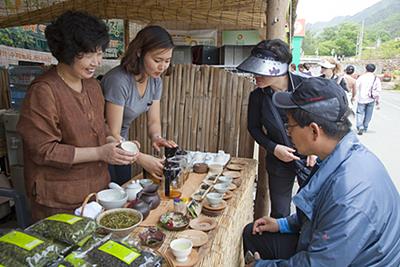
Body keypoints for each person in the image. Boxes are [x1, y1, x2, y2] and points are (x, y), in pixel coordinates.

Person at [243, 77, 400, 267]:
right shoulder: (342, 155)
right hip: (339, 252)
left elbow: (319, 264)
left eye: (290, 126)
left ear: (314, 131)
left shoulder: (348, 195)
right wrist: (283, 224)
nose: (288, 133)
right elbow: (321, 213)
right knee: (254, 233)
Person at [16, 11, 137, 221]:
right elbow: (44, 151)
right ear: (67, 51)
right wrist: (101, 153)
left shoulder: (92, 86)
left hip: (96, 191)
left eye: (99, 53)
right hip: (59, 198)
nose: (96, 62)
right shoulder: (44, 91)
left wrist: (114, 143)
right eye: (88, 54)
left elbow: (101, 128)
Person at [237, 40, 315, 218]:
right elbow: (253, 127)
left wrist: (315, 151)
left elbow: (323, 121)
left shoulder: (307, 87)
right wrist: (274, 148)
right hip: (279, 159)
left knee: (311, 210)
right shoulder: (257, 96)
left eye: (260, 70)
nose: (255, 75)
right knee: (280, 212)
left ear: (280, 69)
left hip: (311, 159)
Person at [101, 25, 177, 185]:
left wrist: (157, 137)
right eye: (157, 60)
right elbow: (111, 131)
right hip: (101, 145)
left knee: (124, 188)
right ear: (139, 52)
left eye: (167, 61)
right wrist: (141, 158)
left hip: (125, 146)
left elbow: (153, 121)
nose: (162, 67)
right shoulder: (119, 81)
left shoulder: (155, 81)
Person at [355, 63, 382, 135]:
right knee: (368, 114)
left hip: (361, 98)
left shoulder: (361, 77)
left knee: (360, 113)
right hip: (371, 99)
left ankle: (360, 126)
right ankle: (365, 126)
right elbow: (378, 91)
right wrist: (378, 102)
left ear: (366, 68)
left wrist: (354, 96)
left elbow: (356, 86)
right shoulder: (376, 79)